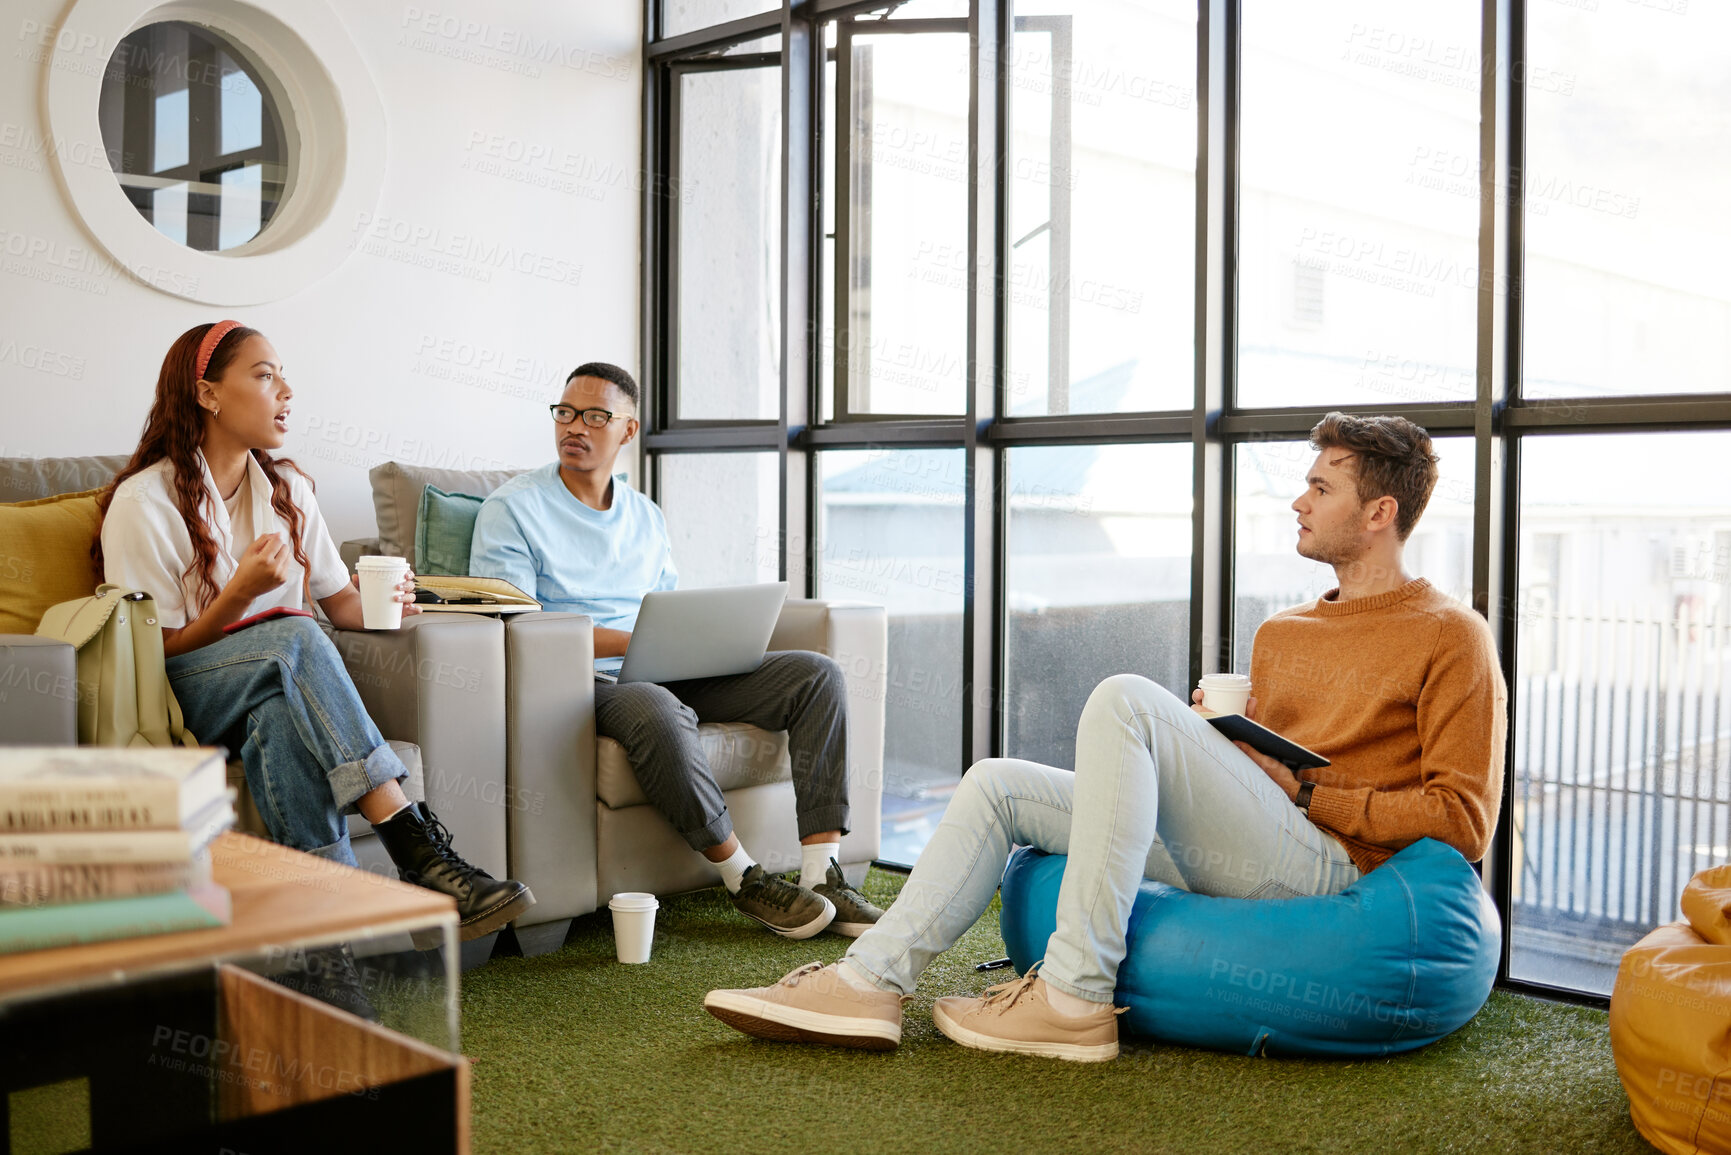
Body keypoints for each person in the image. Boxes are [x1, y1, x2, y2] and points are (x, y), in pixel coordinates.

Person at [704, 413, 1507, 1060]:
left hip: (1334, 871)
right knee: (996, 781)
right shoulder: (1284, 630)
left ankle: (1074, 996)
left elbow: (1463, 821)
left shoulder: (1450, 635)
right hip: (1257, 841)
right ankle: (869, 981)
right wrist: (1219, 744)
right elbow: (1262, 769)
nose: (1298, 500)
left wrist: (1305, 789)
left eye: (1320, 487)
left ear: (1378, 513)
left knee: (1125, 697)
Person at [97, 320, 535, 943]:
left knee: (278, 718)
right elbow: (153, 652)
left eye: (283, 376)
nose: (287, 392)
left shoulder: (290, 490)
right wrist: (238, 597)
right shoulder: (145, 503)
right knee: (297, 638)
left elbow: (343, 604)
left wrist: (395, 605)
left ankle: (331, 961)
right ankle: (419, 851)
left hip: (270, 685)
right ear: (208, 394)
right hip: (183, 689)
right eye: (265, 375)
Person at [468, 362, 881, 940]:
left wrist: (702, 642)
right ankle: (745, 878)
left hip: (661, 666)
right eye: (565, 412)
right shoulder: (512, 510)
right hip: (584, 681)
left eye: (594, 416)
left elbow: (666, 612)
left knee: (816, 675)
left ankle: (822, 874)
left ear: (628, 430)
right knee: (659, 710)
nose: (574, 427)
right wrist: (635, 644)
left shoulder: (645, 515)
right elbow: (518, 625)